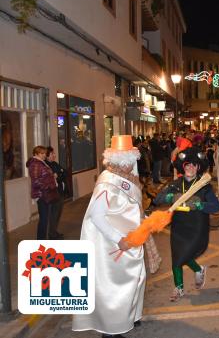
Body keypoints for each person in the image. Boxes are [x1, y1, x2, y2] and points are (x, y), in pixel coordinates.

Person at [72, 136, 145, 338]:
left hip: (131, 240)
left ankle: (130, 316)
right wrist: (118, 238)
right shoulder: (106, 184)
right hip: (113, 245)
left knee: (136, 279)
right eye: (132, 161)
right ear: (124, 161)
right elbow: (96, 216)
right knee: (115, 287)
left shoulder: (125, 178)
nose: (134, 165)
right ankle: (110, 329)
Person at [154, 146, 219, 302]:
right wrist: (171, 197)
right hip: (179, 225)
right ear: (183, 167)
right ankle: (179, 288)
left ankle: (198, 269)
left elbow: (216, 207)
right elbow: (158, 199)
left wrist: (199, 205)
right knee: (177, 256)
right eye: (187, 165)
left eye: (194, 165)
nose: (190, 167)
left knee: (185, 254)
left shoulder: (204, 186)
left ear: (198, 168)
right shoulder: (176, 184)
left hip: (197, 227)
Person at [26, 146, 60, 240]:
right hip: (42, 194)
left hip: (45, 193)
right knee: (44, 220)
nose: (44, 155)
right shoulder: (35, 164)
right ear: (36, 154)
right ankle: (41, 242)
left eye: (45, 153)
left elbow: (43, 176)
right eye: (42, 153)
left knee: (45, 219)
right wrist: (49, 185)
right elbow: (36, 181)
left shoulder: (41, 162)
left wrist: (52, 177)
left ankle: (42, 241)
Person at [45, 146, 68, 239]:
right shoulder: (46, 165)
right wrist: (59, 174)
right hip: (53, 193)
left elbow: (64, 173)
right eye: (52, 154)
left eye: (54, 153)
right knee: (54, 214)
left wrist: (58, 174)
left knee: (58, 213)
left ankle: (54, 232)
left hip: (60, 192)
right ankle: (52, 234)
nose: (54, 155)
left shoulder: (54, 163)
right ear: (47, 156)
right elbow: (53, 177)